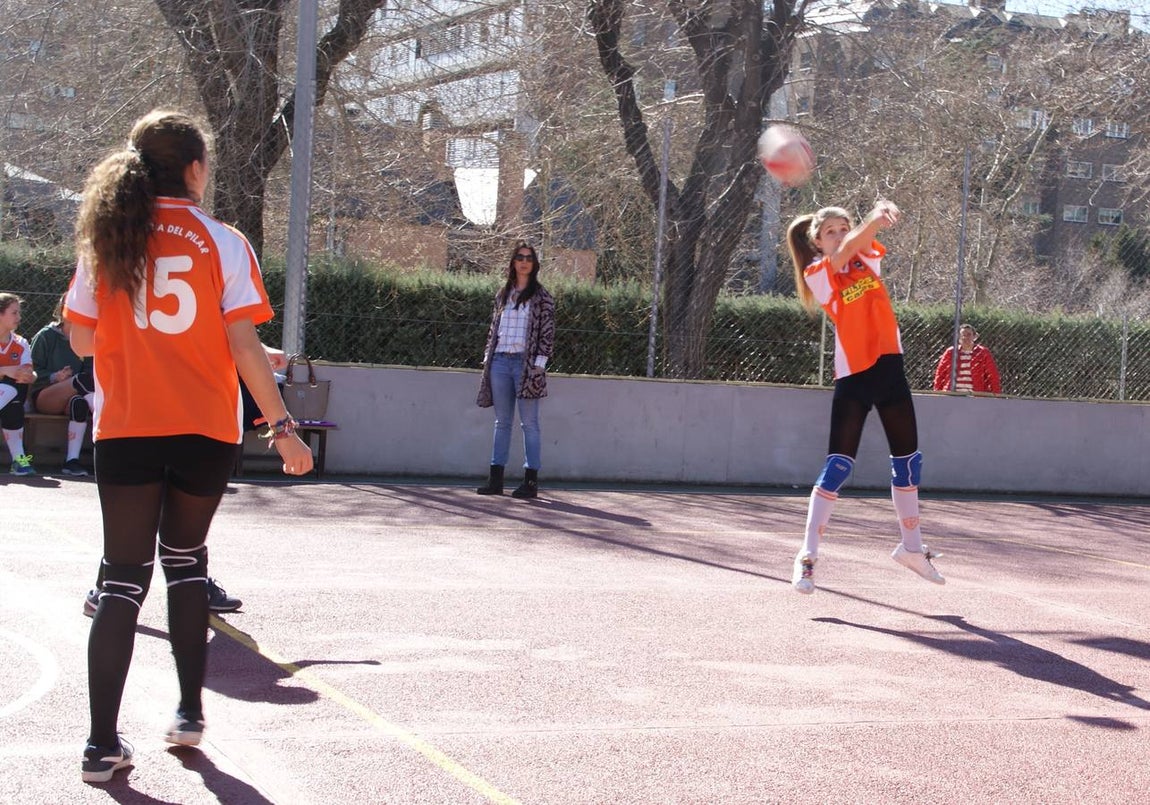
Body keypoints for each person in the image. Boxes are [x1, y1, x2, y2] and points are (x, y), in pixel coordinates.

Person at [64, 108, 313, 784]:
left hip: (127, 426)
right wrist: (282, 427)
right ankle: (188, 711)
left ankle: (99, 745)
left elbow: (82, 339)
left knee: (121, 577)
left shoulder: (107, 238)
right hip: (205, 428)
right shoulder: (224, 241)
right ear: (196, 169)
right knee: (186, 561)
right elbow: (242, 346)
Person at [785, 200, 944, 594]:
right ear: (818, 243)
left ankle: (911, 549)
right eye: (830, 232)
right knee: (838, 467)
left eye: (844, 227)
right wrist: (871, 218)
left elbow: (861, 244)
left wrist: (881, 211)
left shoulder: (867, 260)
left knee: (908, 464)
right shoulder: (818, 272)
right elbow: (841, 255)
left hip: (890, 367)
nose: (839, 235)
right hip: (855, 376)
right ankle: (807, 557)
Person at [475, 242, 555, 499]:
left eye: (529, 258)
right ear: (513, 262)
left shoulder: (542, 297)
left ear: (534, 264)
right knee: (502, 422)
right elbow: (493, 328)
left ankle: (530, 481)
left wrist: (539, 365)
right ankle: (495, 479)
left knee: (529, 423)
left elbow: (547, 332)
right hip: (500, 362)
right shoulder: (503, 294)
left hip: (526, 364)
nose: (524, 261)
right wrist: (489, 356)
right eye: (519, 257)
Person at [30, 294, 96, 476]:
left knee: (79, 402)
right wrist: (54, 377)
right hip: (45, 397)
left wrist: (71, 381)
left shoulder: (84, 339)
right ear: (63, 309)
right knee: (80, 380)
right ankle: (101, 414)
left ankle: (71, 461)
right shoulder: (46, 336)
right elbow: (32, 370)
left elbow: (90, 373)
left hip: (74, 394)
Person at [0, 292, 38, 476]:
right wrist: (4, 370)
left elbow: (27, 371)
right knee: (12, 395)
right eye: (14, 313)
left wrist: (30, 376)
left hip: (10, 397)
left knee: (15, 405)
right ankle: (20, 460)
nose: (19, 317)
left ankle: (19, 461)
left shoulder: (21, 343)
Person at [932, 323, 1002, 394]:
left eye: (969, 335)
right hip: (952, 393)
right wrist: (937, 393)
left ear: (974, 337)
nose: (966, 338)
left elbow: (992, 374)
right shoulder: (950, 352)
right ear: (959, 337)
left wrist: (996, 394)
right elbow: (940, 374)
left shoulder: (983, 353)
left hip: (975, 395)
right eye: (963, 335)